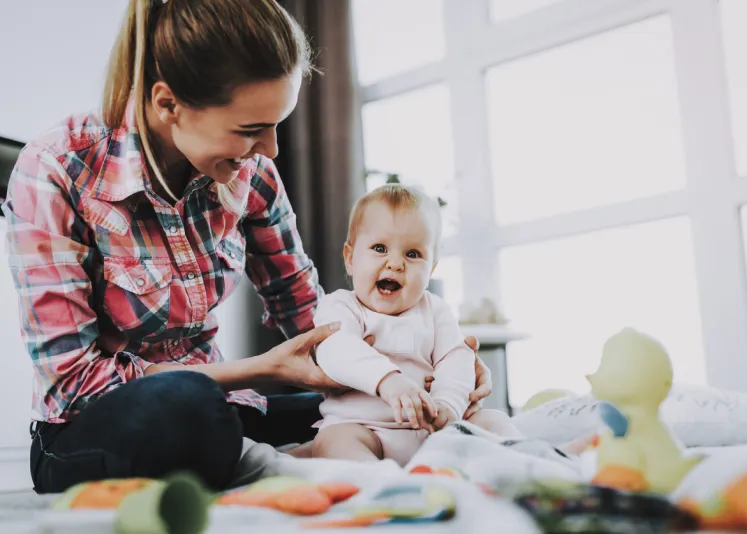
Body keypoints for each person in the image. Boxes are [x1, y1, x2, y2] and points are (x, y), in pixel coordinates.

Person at [3, 0, 494, 494]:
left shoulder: (253, 175)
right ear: (167, 103)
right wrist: (257, 370)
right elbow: (76, 381)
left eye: (276, 124)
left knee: (368, 418)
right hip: (90, 429)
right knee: (189, 410)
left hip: (225, 410)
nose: (271, 150)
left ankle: (265, 460)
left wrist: (422, 374)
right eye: (250, 130)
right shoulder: (55, 170)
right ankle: (256, 459)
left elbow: (311, 320)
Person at [311, 185, 521, 466]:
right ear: (350, 258)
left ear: (431, 268)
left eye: (412, 254)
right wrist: (388, 381)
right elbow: (336, 348)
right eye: (379, 248)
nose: (395, 263)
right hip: (366, 429)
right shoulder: (340, 306)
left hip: (434, 431)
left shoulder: (435, 311)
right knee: (332, 441)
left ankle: (527, 464)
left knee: (493, 420)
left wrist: (449, 404)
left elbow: (456, 358)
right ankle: (381, 485)